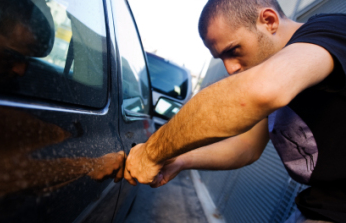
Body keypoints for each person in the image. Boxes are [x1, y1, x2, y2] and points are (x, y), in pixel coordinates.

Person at [124, 0, 346, 222]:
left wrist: (151, 152)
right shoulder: (276, 72)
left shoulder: (332, 30)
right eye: (222, 58)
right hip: (315, 206)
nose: (230, 69)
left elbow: (261, 90)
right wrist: (180, 159)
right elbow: (246, 147)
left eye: (234, 50)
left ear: (269, 21)